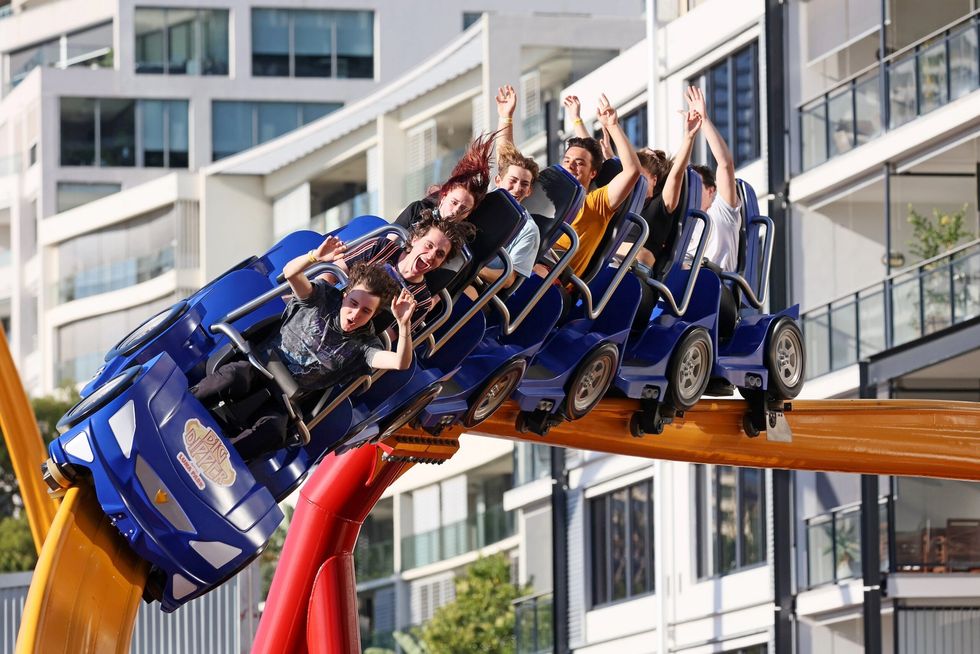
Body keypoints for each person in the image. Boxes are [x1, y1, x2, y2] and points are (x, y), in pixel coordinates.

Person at [193, 237, 416, 458]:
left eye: (366, 311)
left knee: (273, 431)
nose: (355, 314)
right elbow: (291, 273)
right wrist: (314, 257)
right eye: (353, 303)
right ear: (346, 295)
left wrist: (404, 324)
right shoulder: (322, 297)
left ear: (374, 315)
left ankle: (222, 458)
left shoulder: (365, 345)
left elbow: (400, 362)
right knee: (234, 376)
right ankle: (188, 404)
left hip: (285, 398)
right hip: (260, 366)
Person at [329, 214, 476, 333]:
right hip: (329, 309)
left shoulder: (421, 300)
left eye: (439, 254)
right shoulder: (380, 247)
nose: (431, 255)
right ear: (414, 239)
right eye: (429, 245)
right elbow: (330, 273)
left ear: (442, 263)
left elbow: (388, 338)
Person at [548, 94, 641, 278]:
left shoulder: (596, 203)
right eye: (567, 160)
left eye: (579, 163)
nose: (571, 165)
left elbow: (632, 171)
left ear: (593, 174)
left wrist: (612, 126)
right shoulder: (548, 196)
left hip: (552, 276)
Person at [468, 84, 541, 293]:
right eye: (513, 181)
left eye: (524, 185)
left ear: (529, 192)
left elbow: (508, 280)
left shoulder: (528, 229)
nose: (517, 188)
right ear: (498, 181)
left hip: (478, 286)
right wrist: (505, 117)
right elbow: (505, 156)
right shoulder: (479, 201)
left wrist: (473, 269)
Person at [625, 105, 701, 271]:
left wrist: (689, 137)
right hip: (608, 264)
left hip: (635, 272)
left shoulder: (660, 204)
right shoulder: (624, 203)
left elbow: (676, 174)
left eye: (640, 176)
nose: (634, 181)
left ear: (654, 179)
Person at [683, 86, 742, 272]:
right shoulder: (682, 224)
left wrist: (704, 120)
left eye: (695, 185)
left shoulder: (721, 212)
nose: (689, 190)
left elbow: (725, 164)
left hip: (715, 288)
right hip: (682, 292)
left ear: (711, 190)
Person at [394, 132, 495, 228]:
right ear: (444, 197)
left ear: (468, 213)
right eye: (454, 202)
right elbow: (387, 242)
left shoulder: (463, 240)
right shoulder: (417, 210)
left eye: (463, 209)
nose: (456, 211)